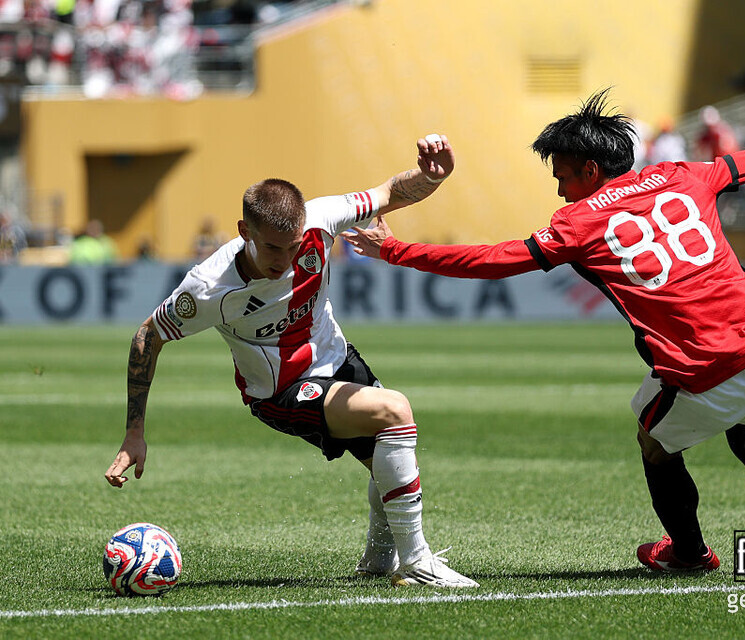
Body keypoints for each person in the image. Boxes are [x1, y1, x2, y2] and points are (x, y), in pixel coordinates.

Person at [346, 91, 745, 572]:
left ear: (591, 171)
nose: (560, 191)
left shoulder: (579, 223)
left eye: (564, 177)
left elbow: (491, 261)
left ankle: (689, 554)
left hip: (707, 372)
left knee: (654, 443)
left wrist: (395, 250)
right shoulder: (681, 174)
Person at [104, 134, 478, 588]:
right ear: (245, 233)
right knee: (395, 411)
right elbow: (148, 336)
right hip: (279, 392)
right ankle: (417, 563)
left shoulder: (320, 219)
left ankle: (379, 562)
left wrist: (430, 177)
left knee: (389, 455)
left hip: (338, 363)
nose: (286, 259)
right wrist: (134, 433)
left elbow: (389, 193)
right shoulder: (210, 288)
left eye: (294, 245)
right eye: (274, 249)